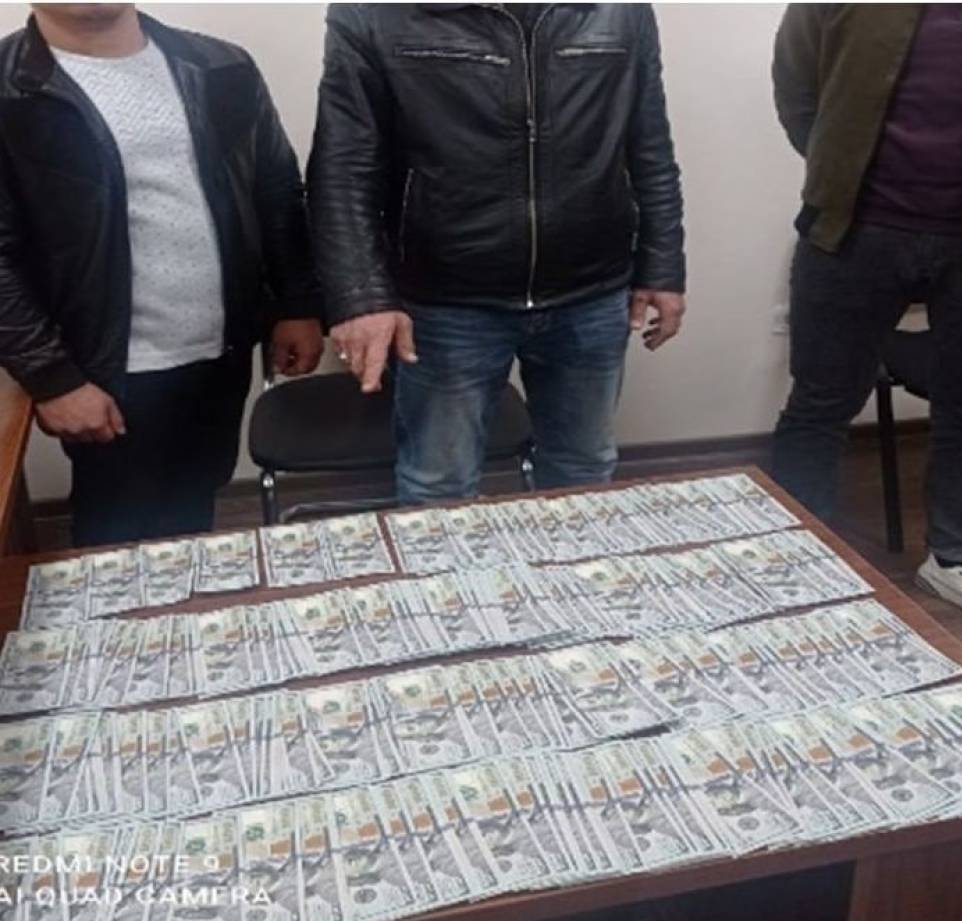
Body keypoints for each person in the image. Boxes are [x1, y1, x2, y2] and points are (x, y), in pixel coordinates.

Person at [308, 3, 685, 504]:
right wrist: (361, 296)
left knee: (584, 471)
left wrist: (662, 266)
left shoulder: (621, 10)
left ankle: (566, 562)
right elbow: (343, 165)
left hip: (590, 290)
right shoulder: (376, 12)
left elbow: (650, 146)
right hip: (446, 300)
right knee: (438, 485)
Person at [0, 3, 323, 546]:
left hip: (220, 351)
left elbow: (275, 188)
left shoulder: (221, 66)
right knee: (116, 535)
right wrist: (52, 378)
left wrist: (296, 304)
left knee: (195, 513)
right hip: (103, 369)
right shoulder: (11, 90)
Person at [771, 4, 962, 640]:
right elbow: (796, 82)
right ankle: (796, 557)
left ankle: (956, 558)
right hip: (854, 231)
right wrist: (836, 170)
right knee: (820, 403)